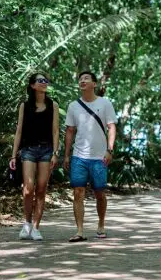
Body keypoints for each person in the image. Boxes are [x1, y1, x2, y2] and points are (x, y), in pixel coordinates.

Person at [63, 71, 117, 242]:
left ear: (95, 84)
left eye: (86, 78)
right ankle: (79, 231)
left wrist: (110, 150)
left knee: (99, 192)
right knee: (78, 192)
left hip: (99, 157)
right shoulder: (73, 106)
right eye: (80, 79)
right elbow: (70, 131)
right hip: (79, 156)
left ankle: (101, 224)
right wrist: (66, 155)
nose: (82, 81)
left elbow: (111, 127)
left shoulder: (105, 103)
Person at [10, 73, 60, 241]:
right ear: (32, 85)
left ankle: (37, 227)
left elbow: (55, 131)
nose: (44, 83)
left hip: (46, 150)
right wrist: (12, 155)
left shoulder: (53, 105)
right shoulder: (24, 106)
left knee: (41, 188)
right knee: (28, 189)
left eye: (45, 80)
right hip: (28, 149)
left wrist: (55, 153)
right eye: (40, 80)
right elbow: (19, 131)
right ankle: (26, 223)